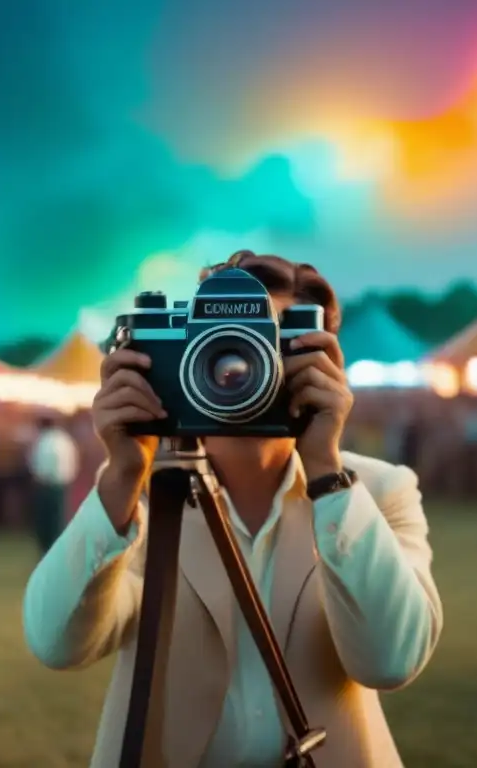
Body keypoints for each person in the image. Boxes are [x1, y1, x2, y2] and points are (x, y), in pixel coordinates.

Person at [23, 251, 442, 767]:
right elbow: (55, 643)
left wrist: (328, 475)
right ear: (177, 351)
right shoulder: (139, 500)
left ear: (325, 362)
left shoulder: (375, 491)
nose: (236, 367)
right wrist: (124, 474)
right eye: (216, 345)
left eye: (267, 344)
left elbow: (391, 660)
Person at [26, 414, 79, 554]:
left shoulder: (43, 441)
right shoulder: (65, 439)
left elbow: (38, 464)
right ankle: (59, 547)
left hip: (46, 485)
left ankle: (47, 548)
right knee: (58, 517)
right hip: (62, 484)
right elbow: (73, 461)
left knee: (45, 520)